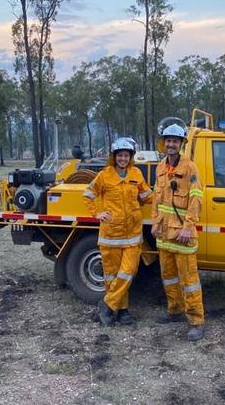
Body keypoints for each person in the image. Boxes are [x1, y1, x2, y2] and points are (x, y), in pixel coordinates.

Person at [83, 137, 152, 326]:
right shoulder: (104, 175)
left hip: (132, 235)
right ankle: (122, 311)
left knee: (128, 271)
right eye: (120, 155)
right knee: (112, 276)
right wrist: (97, 213)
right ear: (114, 157)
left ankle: (106, 304)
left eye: (126, 155)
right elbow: (89, 194)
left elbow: (146, 196)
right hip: (111, 235)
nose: (123, 158)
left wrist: (164, 196)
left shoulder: (136, 174)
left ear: (131, 157)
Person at [151, 123, 206, 341]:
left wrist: (188, 226)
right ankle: (174, 310)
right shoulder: (160, 168)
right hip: (164, 235)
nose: (171, 144)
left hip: (183, 235)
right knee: (169, 277)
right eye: (168, 140)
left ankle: (196, 320)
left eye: (175, 141)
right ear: (164, 143)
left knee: (189, 279)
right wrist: (155, 223)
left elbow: (196, 199)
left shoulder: (190, 168)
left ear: (181, 143)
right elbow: (157, 198)